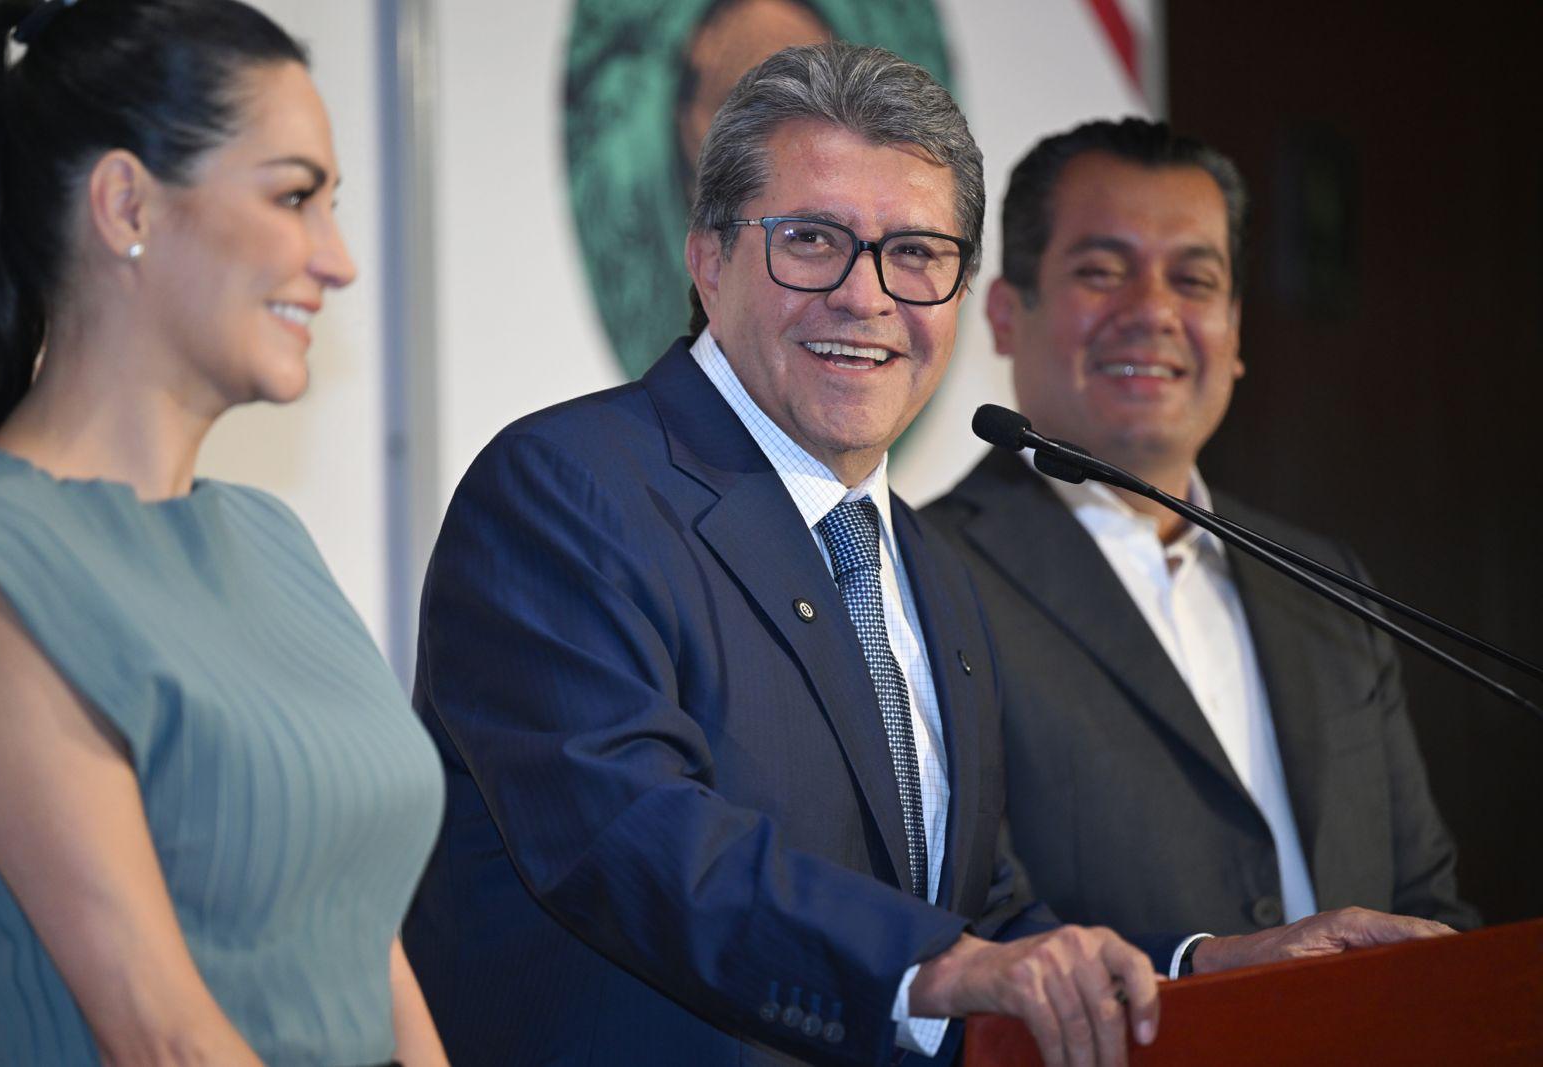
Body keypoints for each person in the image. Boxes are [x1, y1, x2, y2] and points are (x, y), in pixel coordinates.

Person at [405, 46, 1445, 1067]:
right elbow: (637, 837)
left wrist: (1207, 965)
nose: (865, 296)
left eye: (915, 253)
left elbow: (977, 911)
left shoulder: (925, 562)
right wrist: (939, 964)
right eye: (811, 240)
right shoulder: (565, 489)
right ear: (709, 258)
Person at [0, 2, 447, 1063]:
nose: (338, 260)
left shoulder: (268, 536)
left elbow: (365, 934)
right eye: (295, 197)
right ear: (126, 203)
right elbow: (162, 1033)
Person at [924, 117, 1477, 968]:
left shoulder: (1326, 581)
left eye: (1193, 279)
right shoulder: (924, 574)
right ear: (1004, 314)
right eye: (1102, 272)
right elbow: (958, 925)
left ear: (1235, 329)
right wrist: (1198, 965)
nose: (1152, 312)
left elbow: (1427, 905)